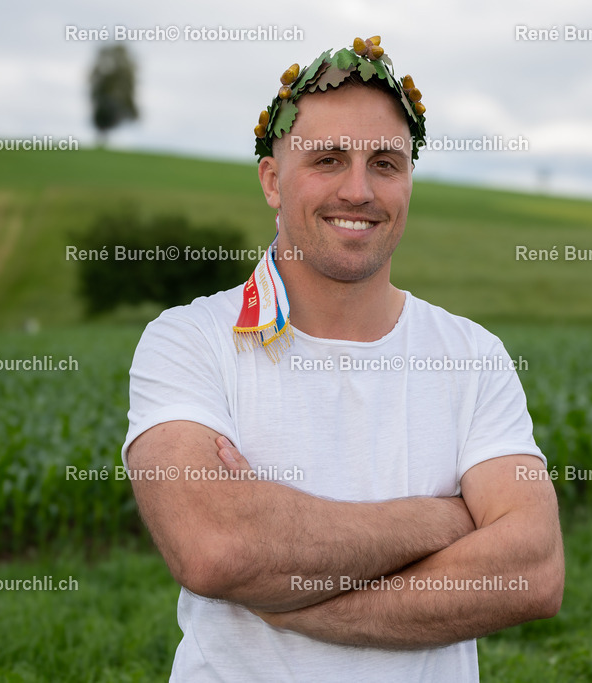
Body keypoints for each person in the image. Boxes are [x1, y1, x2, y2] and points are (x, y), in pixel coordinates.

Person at [123, 35, 564, 682]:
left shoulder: (472, 355)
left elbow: (532, 571)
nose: (358, 190)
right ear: (273, 181)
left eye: (385, 163)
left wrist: (293, 599)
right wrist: (446, 517)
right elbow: (215, 547)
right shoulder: (189, 339)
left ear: (409, 180)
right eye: (327, 159)